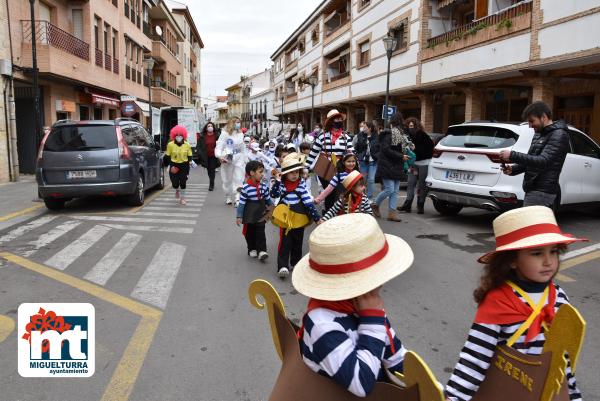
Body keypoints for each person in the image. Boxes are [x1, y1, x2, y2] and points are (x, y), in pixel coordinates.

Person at [445, 206, 584, 401]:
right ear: (512, 260)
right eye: (537, 253)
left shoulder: (559, 297)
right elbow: (475, 358)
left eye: (553, 252)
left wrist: (573, 395)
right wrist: (454, 398)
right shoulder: (497, 301)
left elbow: (563, 359)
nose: (548, 261)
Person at [292, 213, 412, 397]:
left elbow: (395, 357)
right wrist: (372, 319)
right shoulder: (321, 324)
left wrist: (430, 388)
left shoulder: (365, 304)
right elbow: (360, 384)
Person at [499, 101, 570, 208]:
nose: (530, 126)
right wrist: (513, 170)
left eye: (532, 121)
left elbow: (543, 161)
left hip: (542, 191)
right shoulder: (539, 133)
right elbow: (532, 160)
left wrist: (512, 155)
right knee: (537, 224)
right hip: (533, 189)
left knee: (531, 224)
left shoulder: (559, 134)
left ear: (543, 117)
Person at [270, 153, 321, 279]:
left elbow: (308, 203)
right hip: (285, 216)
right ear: (285, 174)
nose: (294, 175)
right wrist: (277, 181)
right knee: (284, 242)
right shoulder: (281, 185)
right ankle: (282, 266)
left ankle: (296, 263)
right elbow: (273, 194)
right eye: (291, 172)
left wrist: (317, 219)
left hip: (299, 215)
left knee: (298, 241)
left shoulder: (301, 186)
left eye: (296, 172)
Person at [305, 109, 354, 211]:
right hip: (325, 168)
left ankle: (332, 212)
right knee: (330, 192)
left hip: (341, 169)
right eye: (336, 119)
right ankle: (328, 213)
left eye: (340, 119)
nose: (339, 121)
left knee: (340, 192)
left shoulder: (346, 137)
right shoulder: (322, 137)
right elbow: (313, 153)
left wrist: (354, 168)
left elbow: (352, 154)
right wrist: (305, 169)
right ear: (331, 121)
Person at [372, 112, 414, 222]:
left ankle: (392, 214)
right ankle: (375, 204)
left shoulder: (400, 135)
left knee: (395, 191)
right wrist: (401, 156)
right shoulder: (389, 134)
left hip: (396, 165)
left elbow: (399, 148)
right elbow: (386, 150)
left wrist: (408, 148)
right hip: (387, 165)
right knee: (390, 189)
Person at [236, 160, 274, 261]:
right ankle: (252, 248)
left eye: (263, 172)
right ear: (252, 173)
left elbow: (268, 200)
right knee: (250, 232)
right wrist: (239, 216)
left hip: (260, 212)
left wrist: (273, 209)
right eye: (260, 172)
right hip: (249, 213)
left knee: (260, 231)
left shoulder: (264, 187)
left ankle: (262, 250)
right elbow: (242, 203)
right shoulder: (246, 188)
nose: (262, 174)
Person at [398, 117, 434, 214]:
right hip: (412, 164)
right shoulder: (407, 136)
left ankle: (420, 205)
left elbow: (429, 151)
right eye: (409, 126)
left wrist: (415, 149)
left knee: (421, 185)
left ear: (417, 126)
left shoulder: (424, 136)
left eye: (412, 126)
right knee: (410, 184)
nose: (411, 128)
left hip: (423, 164)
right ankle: (407, 205)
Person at [215, 117, 246, 206]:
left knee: (239, 178)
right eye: (237, 122)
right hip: (227, 158)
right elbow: (219, 146)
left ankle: (237, 198)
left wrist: (245, 159)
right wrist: (219, 156)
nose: (238, 124)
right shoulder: (224, 134)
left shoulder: (241, 134)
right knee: (227, 179)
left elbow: (243, 147)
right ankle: (228, 196)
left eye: (239, 122)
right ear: (232, 123)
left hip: (238, 158)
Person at [163, 125, 193, 205]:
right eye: (177, 135)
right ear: (174, 136)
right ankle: (176, 189)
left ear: (183, 136)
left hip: (184, 165)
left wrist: (190, 161)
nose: (179, 137)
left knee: (183, 182)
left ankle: (183, 198)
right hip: (174, 165)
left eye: (180, 135)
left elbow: (190, 154)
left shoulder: (187, 144)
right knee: (175, 183)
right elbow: (168, 156)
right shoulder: (170, 144)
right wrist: (169, 165)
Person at [353, 121, 380, 200]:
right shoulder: (360, 136)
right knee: (363, 179)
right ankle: (362, 195)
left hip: (373, 161)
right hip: (363, 161)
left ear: (370, 128)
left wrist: (377, 156)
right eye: (362, 127)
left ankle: (369, 197)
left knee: (371, 179)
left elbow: (380, 148)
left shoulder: (376, 136)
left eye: (365, 127)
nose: (363, 128)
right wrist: (358, 156)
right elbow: (356, 147)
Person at [197, 122, 220, 192]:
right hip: (206, 157)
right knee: (209, 170)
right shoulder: (202, 136)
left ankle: (211, 184)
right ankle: (211, 180)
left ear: (213, 127)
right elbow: (199, 147)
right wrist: (200, 154)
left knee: (212, 170)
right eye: (208, 126)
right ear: (206, 128)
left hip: (214, 156)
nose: (210, 127)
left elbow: (221, 145)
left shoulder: (217, 136)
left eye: (211, 126)